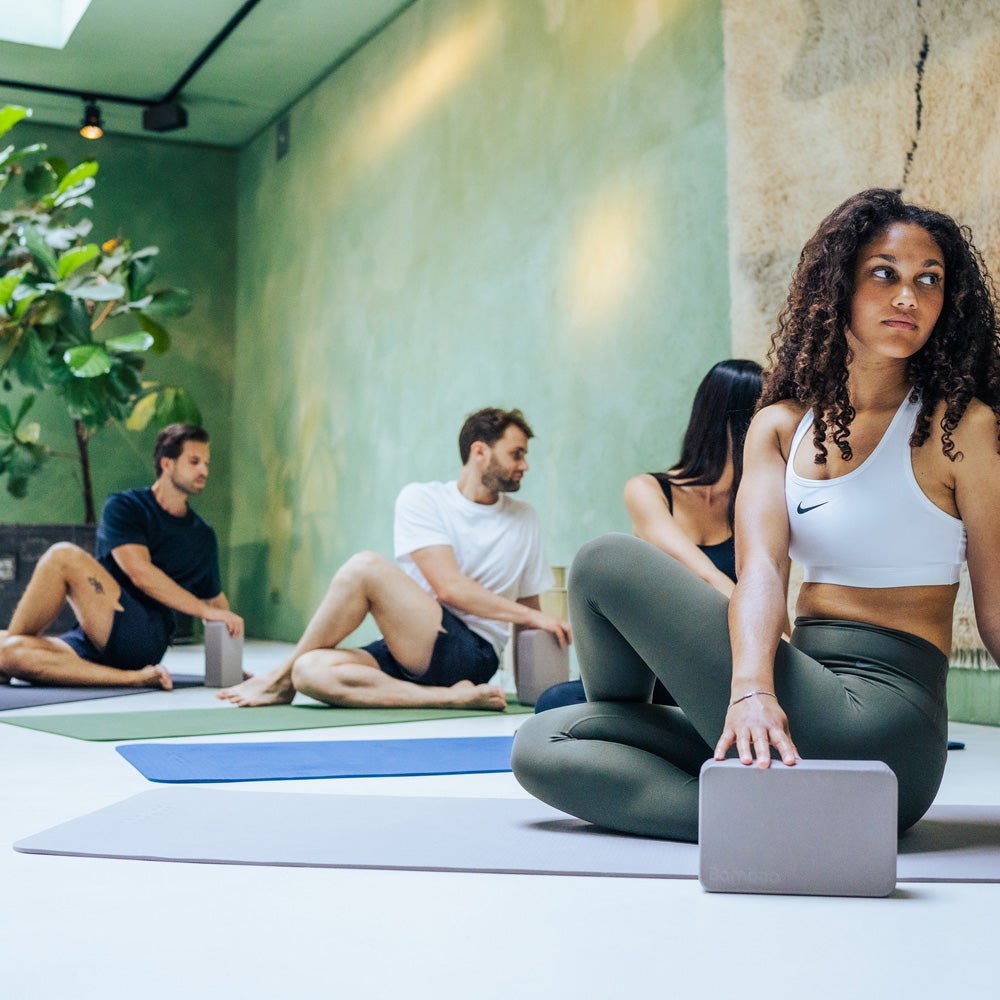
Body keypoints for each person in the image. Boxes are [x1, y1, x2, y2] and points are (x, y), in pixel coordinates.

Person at [512, 188, 1000, 842]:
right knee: (547, 741)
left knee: (603, 563)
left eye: (929, 280)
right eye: (884, 273)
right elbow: (762, 572)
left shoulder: (959, 431)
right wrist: (750, 690)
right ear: (838, 288)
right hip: (803, 700)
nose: (908, 297)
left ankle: (791, 816)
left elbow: (996, 609)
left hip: (886, 731)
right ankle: (788, 822)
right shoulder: (779, 429)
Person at [217, 407, 571, 711]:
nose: (525, 465)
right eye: (516, 454)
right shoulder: (423, 500)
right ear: (480, 451)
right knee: (309, 671)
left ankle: (278, 678)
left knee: (364, 567)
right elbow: (448, 587)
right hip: (414, 644)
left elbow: (528, 610)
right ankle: (446, 699)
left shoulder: (525, 518)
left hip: (472, 654)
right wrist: (531, 615)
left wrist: (536, 693)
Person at [533, 359, 763, 713]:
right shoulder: (647, 490)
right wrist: (772, 633)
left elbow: (769, 584)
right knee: (555, 704)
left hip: (709, 670)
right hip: (650, 671)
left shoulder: (755, 504)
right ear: (742, 421)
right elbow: (703, 574)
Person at [0, 424, 242, 690]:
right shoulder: (126, 507)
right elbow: (138, 571)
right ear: (167, 463)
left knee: (62, 556)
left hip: (143, 636)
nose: (203, 471)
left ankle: (9, 658)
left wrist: (231, 666)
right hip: (93, 636)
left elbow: (215, 602)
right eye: (194, 461)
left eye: (206, 463)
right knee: (6, 651)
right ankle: (135, 678)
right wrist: (204, 609)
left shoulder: (202, 535)